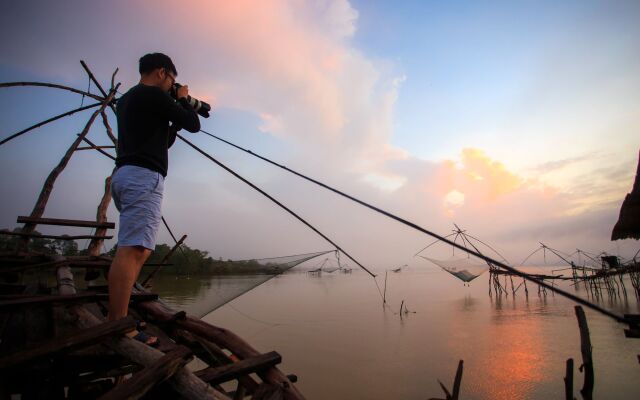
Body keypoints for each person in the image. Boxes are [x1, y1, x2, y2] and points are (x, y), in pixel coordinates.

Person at [108, 53, 201, 345]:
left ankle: (120, 315)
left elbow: (164, 140)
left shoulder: (127, 101)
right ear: (162, 73)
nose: (173, 85)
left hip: (125, 175)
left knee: (139, 248)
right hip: (142, 177)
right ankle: (120, 326)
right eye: (173, 80)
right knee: (133, 249)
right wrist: (183, 99)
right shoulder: (153, 95)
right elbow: (194, 123)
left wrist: (173, 120)